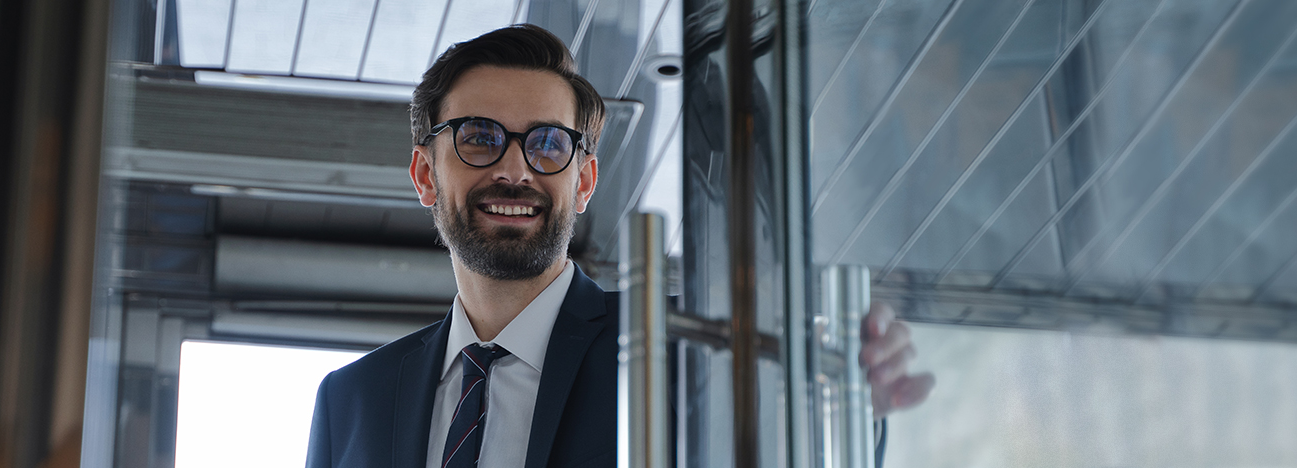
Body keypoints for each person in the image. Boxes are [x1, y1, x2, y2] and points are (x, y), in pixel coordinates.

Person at [305, 24, 931, 468]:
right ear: (424, 175)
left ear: (582, 182)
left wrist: (848, 403)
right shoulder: (350, 402)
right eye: (479, 137)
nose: (516, 171)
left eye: (548, 143)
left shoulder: (679, 347)